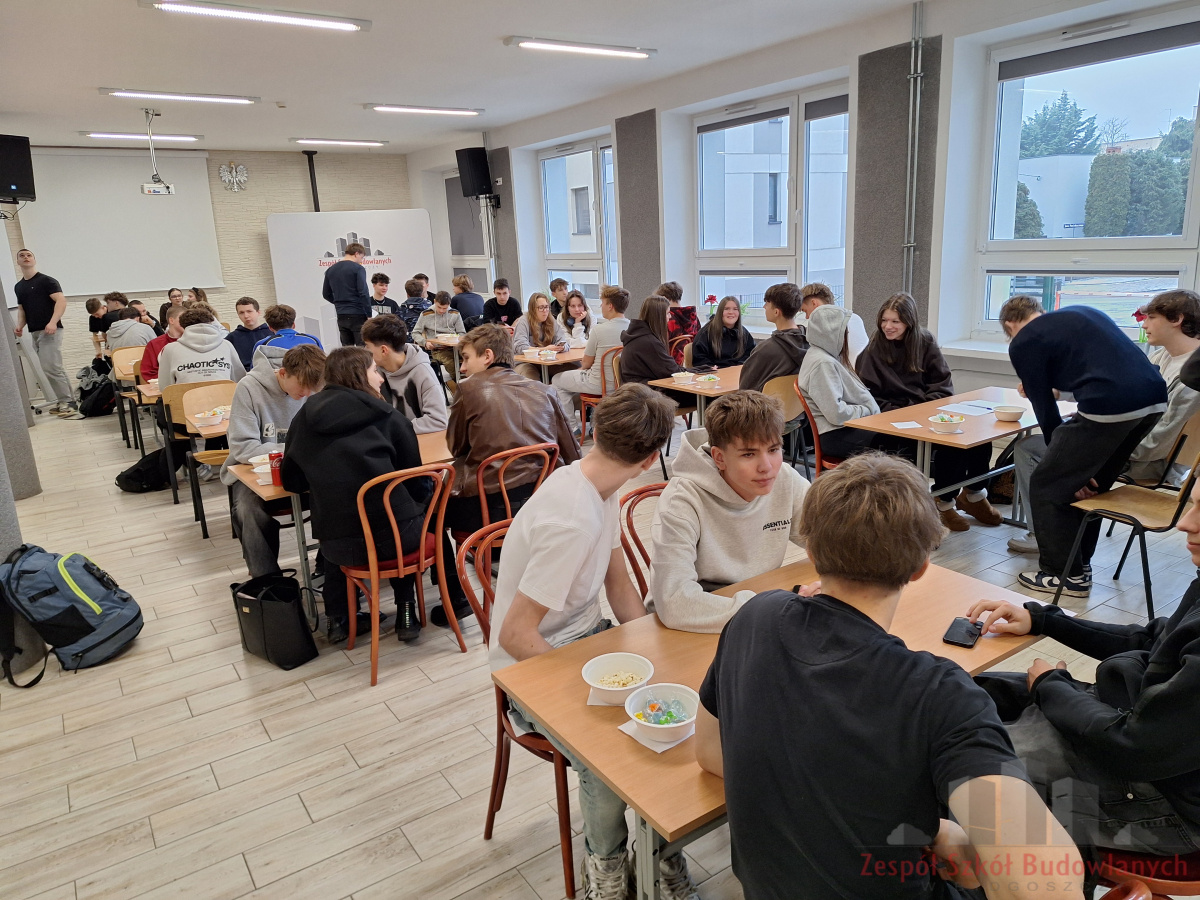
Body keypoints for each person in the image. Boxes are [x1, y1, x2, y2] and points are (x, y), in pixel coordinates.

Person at [695, 452, 1086, 900]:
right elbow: (1048, 888)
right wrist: (954, 843)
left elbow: (709, 752)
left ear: (812, 550)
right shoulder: (941, 696)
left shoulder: (754, 616)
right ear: (921, 567)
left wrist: (926, 829)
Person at [488, 384, 702, 899]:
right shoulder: (572, 519)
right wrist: (590, 688)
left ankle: (658, 852)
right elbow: (516, 636)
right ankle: (605, 867)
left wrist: (649, 648)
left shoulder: (596, 486)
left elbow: (618, 582)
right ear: (651, 458)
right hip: (530, 666)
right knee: (607, 757)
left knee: (672, 711)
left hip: (586, 642)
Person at [970, 478, 1200, 862]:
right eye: (1192, 504)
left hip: (1166, 798)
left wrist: (1051, 687)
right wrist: (1043, 620)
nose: (1186, 523)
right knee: (967, 694)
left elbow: (1135, 745)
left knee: (965, 765)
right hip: (1136, 730)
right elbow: (1153, 640)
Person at [1010, 289, 1200, 555]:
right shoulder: (1162, 357)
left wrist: (1088, 450)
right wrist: (1061, 395)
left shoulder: (1192, 377)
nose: (1144, 324)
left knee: (1033, 453)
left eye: (1151, 317)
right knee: (1050, 451)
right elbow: (1124, 398)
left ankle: (1046, 541)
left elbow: (1156, 444)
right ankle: (1068, 552)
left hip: (1148, 461)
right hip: (1125, 441)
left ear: (1177, 319)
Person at [1000, 295, 1167, 596]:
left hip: (1110, 405)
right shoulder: (1081, 313)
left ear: (1010, 325)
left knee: (1047, 484)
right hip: (1154, 399)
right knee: (1091, 485)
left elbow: (1044, 409)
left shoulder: (1023, 342)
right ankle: (1079, 564)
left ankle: (1063, 575)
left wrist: (1057, 456)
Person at [281, 347, 430, 643]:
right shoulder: (389, 416)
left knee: (341, 522)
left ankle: (338, 619)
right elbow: (414, 479)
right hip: (396, 540)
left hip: (340, 546)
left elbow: (292, 481)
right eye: (375, 370)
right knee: (401, 514)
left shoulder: (304, 418)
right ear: (359, 375)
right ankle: (406, 610)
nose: (380, 378)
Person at [649, 390, 809, 632]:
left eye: (774, 449)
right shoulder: (681, 501)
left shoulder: (784, 478)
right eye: (748, 454)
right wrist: (771, 609)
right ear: (719, 458)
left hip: (759, 608)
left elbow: (830, 539)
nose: (766, 467)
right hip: (694, 621)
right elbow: (674, 602)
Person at [856, 292, 1001, 532]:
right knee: (950, 447)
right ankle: (943, 502)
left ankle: (974, 495)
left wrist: (925, 410)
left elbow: (942, 385)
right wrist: (904, 413)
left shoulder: (924, 341)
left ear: (909, 322)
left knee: (978, 438)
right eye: (884, 320)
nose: (888, 326)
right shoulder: (873, 350)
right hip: (894, 421)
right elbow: (868, 397)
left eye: (895, 321)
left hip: (928, 413)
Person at [446, 323, 579, 536]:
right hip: (544, 501)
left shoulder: (468, 389)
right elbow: (572, 453)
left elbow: (456, 448)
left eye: (466, 358)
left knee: (435, 502)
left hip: (490, 510)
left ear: (487, 356)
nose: (462, 367)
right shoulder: (546, 391)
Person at [221, 343, 325, 579]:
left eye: (313, 388)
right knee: (247, 509)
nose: (307, 394)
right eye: (302, 386)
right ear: (282, 373)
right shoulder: (248, 388)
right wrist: (295, 450)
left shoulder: (315, 387)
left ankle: (328, 565)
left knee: (341, 492)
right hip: (254, 470)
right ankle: (267, 580)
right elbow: (243, 447)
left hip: (304, 468)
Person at [797, 303, 881, 458]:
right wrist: (867, 409)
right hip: (835, 435)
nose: (847, 335)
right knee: (894, 442)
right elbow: (836, 414)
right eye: (844, 331)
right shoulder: (822, 363)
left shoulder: (825, 356)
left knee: (895, 438)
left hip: (842, 429)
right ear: (831, 332)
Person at [551, 284, 630, 423]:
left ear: (610, 306)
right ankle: (593, 421)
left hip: (599, 383)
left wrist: (581, 369)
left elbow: (586, 363)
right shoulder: (632, 327)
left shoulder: (599, 330)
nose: (601, 306)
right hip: (623, 382)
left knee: (557, 380)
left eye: (602, 303)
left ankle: (571, 427)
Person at [12, 248, 76, 416]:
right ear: (18, 261)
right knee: (51, 368)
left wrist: (53, 322)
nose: (26, 257)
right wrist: (20, 326)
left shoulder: (47, 281)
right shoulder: (19, 287)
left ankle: (68, 402)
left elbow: (61, 301)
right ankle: (66, 400)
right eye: (22, 256)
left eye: (29, 255)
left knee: (51, 367)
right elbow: (22, 309)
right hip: (35, 331)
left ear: (34, 260)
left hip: (51, 331)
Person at [361, 314, 448, 434]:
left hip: (416, 441)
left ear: (384, 350)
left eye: (367, 346)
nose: (365, 350)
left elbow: (438, 420)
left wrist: (390, 429)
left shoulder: (423, 373)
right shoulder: (373, 371)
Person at [617, 294, 693, 406]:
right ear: (659, 317)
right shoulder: (649, 342)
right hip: (645, 397)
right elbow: (673, 372)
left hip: (638, 390)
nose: (670, 317)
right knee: (705, 396)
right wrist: (700, 371)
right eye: (667, 313)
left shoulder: (640, 336)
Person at [738, 282, 808, 393]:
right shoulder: (811, 343)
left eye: (767, 303)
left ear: (776, 312)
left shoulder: (764, 350)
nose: (764, 307)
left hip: (768, 404)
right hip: (799, 404)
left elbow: (744, 391)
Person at [157, 306, 246, 387]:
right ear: (211, 322)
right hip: (223, 398)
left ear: (183, 326)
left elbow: (164, 387)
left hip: (186, 399)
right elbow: (239, 379)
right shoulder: (227, 345)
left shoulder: (170, 349)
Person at [800, 281, 868, 365]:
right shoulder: (854, 318)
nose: (807, 317)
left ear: (814, 303)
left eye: (805, 311)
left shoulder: (824, 328)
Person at [321, 241, 371, 346]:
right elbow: (363, 293)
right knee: (362, 349)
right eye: (361, 258)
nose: (361, 261)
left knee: (347, 349)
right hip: (358, 313)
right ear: (356, 254)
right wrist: (369, 315)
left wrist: (339, 302)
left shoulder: (330, 270)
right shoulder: (358, 269)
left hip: (341, 314)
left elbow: (326, 294)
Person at [412, 291, 465, 386]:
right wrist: (425, 343)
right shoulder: (426, 314)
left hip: (455, 347)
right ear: (435, 301)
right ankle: (460, 386)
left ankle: (467, 382)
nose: (441, 311)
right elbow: (415, 333)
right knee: (451, 363)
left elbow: (462, 333)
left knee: (471, 358)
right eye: (439, 307)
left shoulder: (455, 313)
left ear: (449, 305)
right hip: (438, 350)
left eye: (445, 308)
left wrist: (457, 339)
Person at [512, 292, 568, 380]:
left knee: (573, 369)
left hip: (546, 361)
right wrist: (545, 349)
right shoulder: (523, 321)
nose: (545, 311)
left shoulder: (551, 320)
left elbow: (564, 341)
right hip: (524, 363)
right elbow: (520, 347)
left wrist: (561, 347)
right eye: (541, 308)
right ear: (532, 309)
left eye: (546, 307)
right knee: (531, 375)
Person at [691, 296, 754, 369]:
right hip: (715, 373)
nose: (731, 312)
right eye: (726, 309)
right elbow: (699, 359)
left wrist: (740, 367)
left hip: (737, 371)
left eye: (735, 309)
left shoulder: (743, 332)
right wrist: (711, 368)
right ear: (720, 312)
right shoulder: (706, 332)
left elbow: (751, 354)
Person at [253, 304, 322, 354]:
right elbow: (323, 364)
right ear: (294, 325)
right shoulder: (313, 340)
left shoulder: (262, 345)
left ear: (270, 328)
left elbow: (257, 369)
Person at [659, 281, 700, 365]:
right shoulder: (693, 317)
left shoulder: (668, 319)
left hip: (670, 363)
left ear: (664, 298)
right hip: (691, 362)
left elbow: (659, 345)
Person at [140, 304, 185, 381]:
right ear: (171, 320)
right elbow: (148, 372)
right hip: (164, 385)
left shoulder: (194, 342)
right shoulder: (154, 344)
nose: (187, 323)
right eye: (183, 319)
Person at [225, 297, 271, 370]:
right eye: (241, 313)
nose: (246, 316)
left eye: (249, 311)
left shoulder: (271, 333)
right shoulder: (232, 338)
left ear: (258, 312)